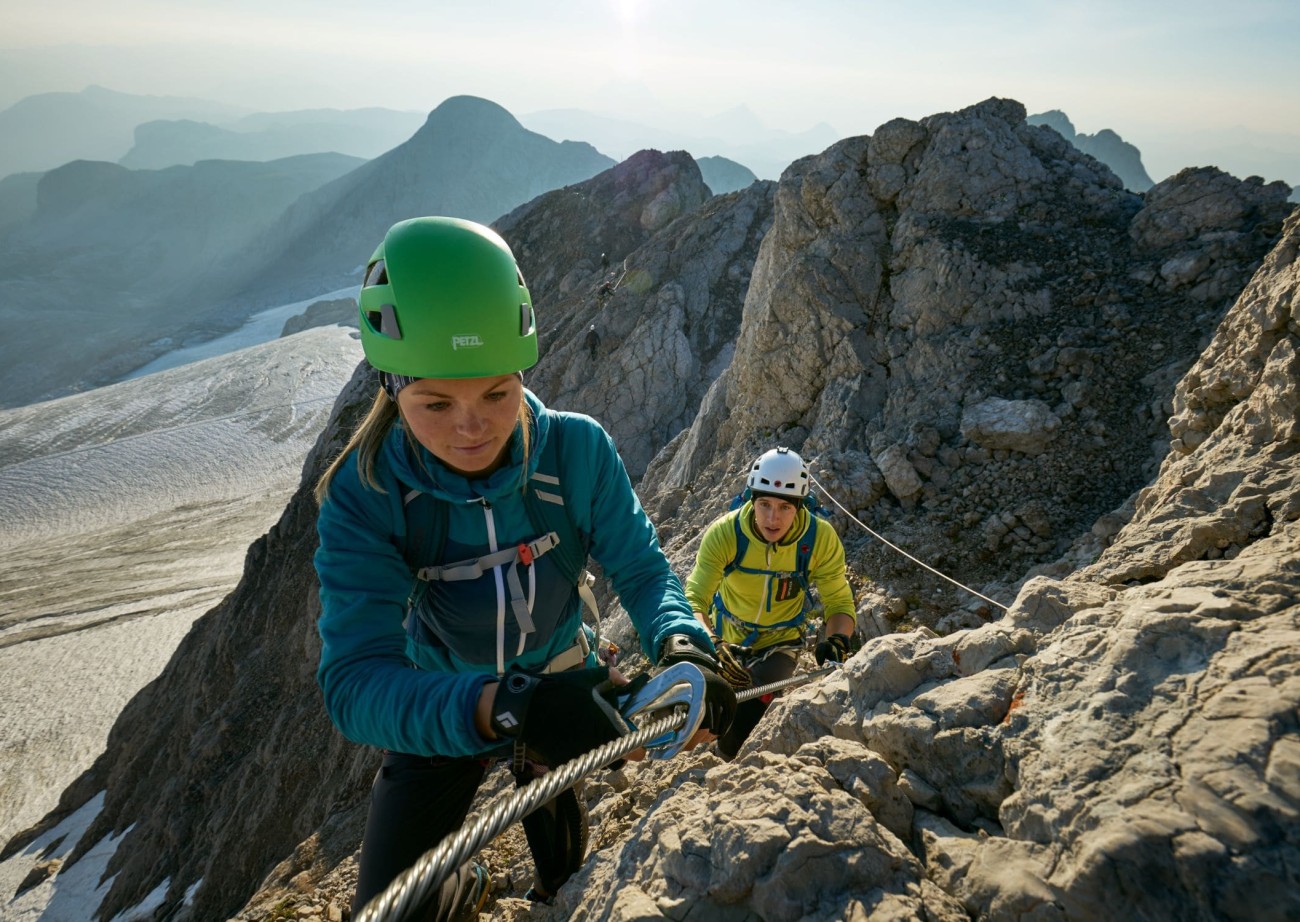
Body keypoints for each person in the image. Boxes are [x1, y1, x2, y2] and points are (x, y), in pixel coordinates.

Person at [313, 216, 735, 920]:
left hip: (559, 673)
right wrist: (503, 706)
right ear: (390, 388)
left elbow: (641, 568)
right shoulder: (367, 494)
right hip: (441, 698)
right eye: (435, 404)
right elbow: (355, 684)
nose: (471, 427)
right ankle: (466, 888)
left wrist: (683, 640)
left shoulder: (575, 451)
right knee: (393, 909)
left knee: (561, 852)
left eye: (496, 394)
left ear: (521, 374)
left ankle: (550, 896)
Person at [684, 447, 857, 760]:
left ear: (800, 507)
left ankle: (728, 762)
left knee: (755, 703)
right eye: (764, 504)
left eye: (784, 507)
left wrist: (838, 640)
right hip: (726, 639)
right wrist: (712, 643)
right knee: (714, 708)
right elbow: (695, 598)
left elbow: (838, 600)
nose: (772, 517)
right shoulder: (726, 533)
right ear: (752, 498)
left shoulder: (819, 539)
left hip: (781, 641)